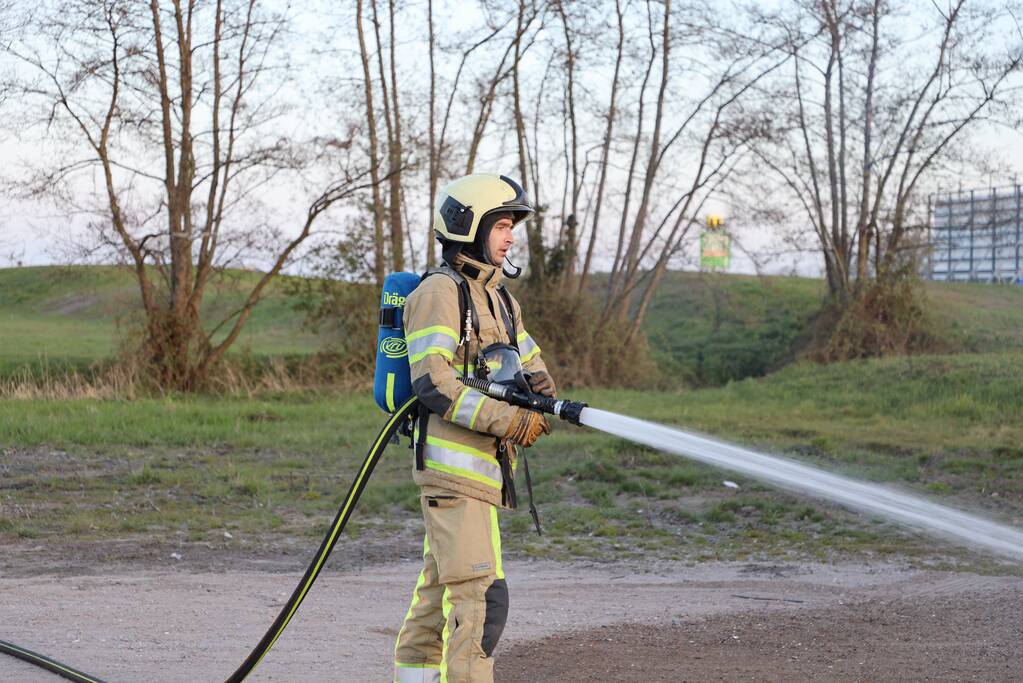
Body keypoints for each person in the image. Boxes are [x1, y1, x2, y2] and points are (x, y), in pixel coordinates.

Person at [393, 173, 557, 683]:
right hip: (452, 473)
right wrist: (510, 418)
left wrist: (545, 400)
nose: (511, 237)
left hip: (482, 474)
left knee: (438, 597)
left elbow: (531, 368)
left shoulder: (501, 299)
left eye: (512, 227)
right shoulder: (439, 293)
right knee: (482, 601)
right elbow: (435, 384)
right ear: (470, 226)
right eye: (503, 225)